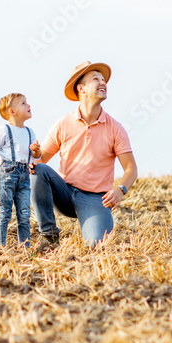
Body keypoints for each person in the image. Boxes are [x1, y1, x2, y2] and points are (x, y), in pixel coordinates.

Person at [31, 61, 137, 248]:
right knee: (38, 170)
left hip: (96, 198)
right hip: (64, 192)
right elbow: (41, 161)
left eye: (103, 80)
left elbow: (131, 168)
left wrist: (120, 190)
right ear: (81, 89)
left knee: (96, 245)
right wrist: (32, 157)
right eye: (96, 79)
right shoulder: (63, 124)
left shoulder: (115, 128)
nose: (102, 82)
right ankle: (49, 235)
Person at [0, 93, 41, 248]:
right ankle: (0, 247)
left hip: (24, 176)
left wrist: (36, 151)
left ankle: (25, 247)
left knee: (24, 214)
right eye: (23, 103)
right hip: (8, 174)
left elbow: (36, 155)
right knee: (5, 213)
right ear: (12, 111)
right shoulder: (4, 130)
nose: (28, 105)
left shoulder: (30, 132)